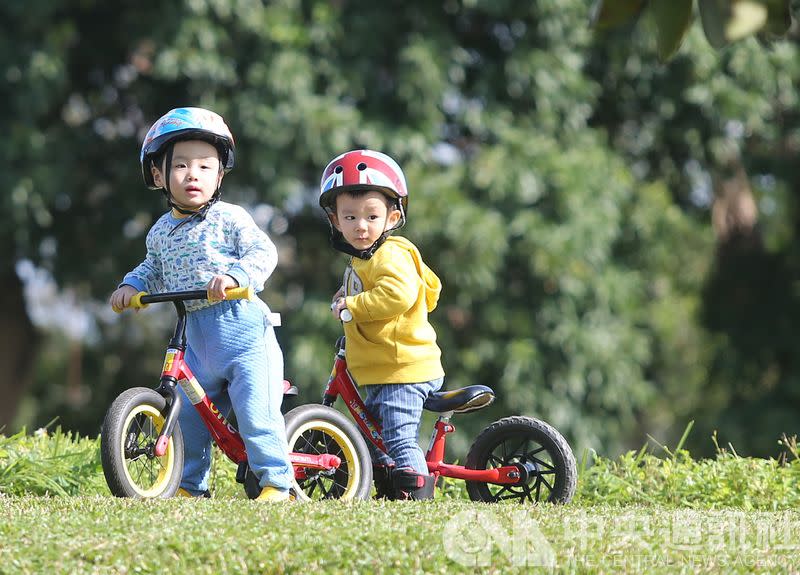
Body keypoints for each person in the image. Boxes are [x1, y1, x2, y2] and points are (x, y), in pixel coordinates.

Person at [109, 107, 293, 502]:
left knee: (255, 412)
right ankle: (191, 486)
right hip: (194, 336)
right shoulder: (159, 232)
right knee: (187, 416)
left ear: (220, 176)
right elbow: (152, 268)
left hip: (244, 334)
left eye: (205, 166)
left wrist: (235, 278)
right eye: (181, 166)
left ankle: (278, 482)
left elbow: (263, 251)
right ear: (158, 176)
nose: (193, 174)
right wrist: (131, 286)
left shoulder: (229, 218)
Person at [319, 149, 444, 500]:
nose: (361, 226)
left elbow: (397, 294)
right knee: (375, 434)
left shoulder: (390, 254)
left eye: (372, 216)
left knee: (399, 438)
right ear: (335, 221)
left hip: (403, 370)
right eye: (350, 217)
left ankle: (418, 497)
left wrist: (354, 307)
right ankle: (390, 488)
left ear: (392, 216)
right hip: (383, 369)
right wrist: (345, 298)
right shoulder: (363, 259)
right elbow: (363, 291)